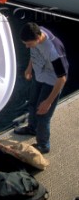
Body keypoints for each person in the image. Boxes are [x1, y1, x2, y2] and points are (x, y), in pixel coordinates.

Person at [14, 22, 69, 154]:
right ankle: (32, 128)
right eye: (24, 44)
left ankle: (44, 145)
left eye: (29, 44)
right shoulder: (37, 32)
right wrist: (29, 68)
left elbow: (62, 78)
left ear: (38, 38)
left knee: (43, 114)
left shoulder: (53, 50)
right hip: (39, 75)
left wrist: (48, 101)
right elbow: (34, 52)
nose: (27, 47)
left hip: (52, 81)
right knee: (32, 104)